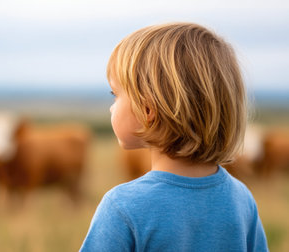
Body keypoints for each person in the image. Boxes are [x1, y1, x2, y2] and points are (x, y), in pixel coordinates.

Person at [80, 22, 268, 252]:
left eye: (115, 94)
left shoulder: (122, 207)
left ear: (147, 109)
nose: (111, 107)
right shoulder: (241, 200)